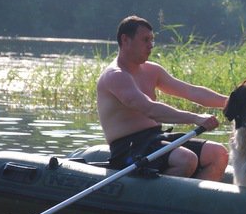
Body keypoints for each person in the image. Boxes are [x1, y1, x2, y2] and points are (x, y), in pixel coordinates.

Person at [97, 15, 229, 180]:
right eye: (145, 40)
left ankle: (192, 202)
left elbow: (191, 91)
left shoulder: (153, 70)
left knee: (219, 154)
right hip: (129, 147)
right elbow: (150, 109)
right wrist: (196, 118)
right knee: (186, 159)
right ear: (125, 40)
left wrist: (230, 102)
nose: (150, 46)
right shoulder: (115, 75)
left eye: (152, 40)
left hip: (157, 138)